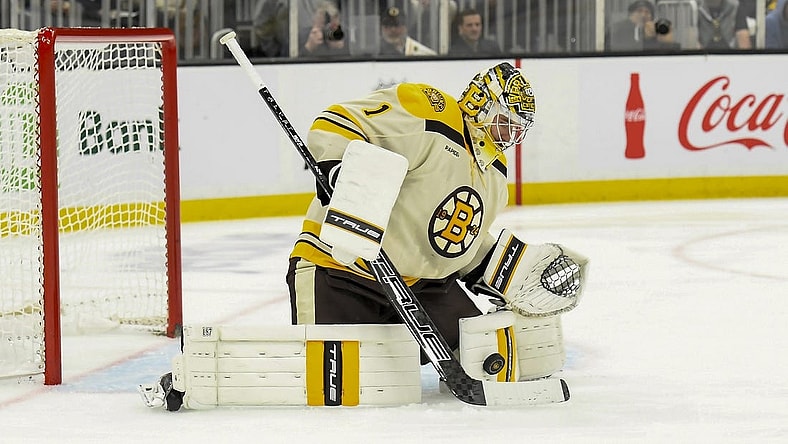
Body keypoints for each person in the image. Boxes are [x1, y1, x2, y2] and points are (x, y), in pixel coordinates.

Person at [286, 61, 586, 376]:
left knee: (489, 357)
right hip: (339, 270)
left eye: (517, 129)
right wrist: (337, 167)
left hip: (417, 289)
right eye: (504, 122)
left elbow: (454, 244)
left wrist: (504, 270)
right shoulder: (431, 111)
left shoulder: (495, 176)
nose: (509, 135)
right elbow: (338, 120)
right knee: (332, 383)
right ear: (481, 103)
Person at [606, 0, 680, 51]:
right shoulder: (618, 29)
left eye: (647, 12)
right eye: (639, 11)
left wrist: (667, 42)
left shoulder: (655, 30)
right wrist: (643, 38)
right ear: (630, 15)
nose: (643, 15)